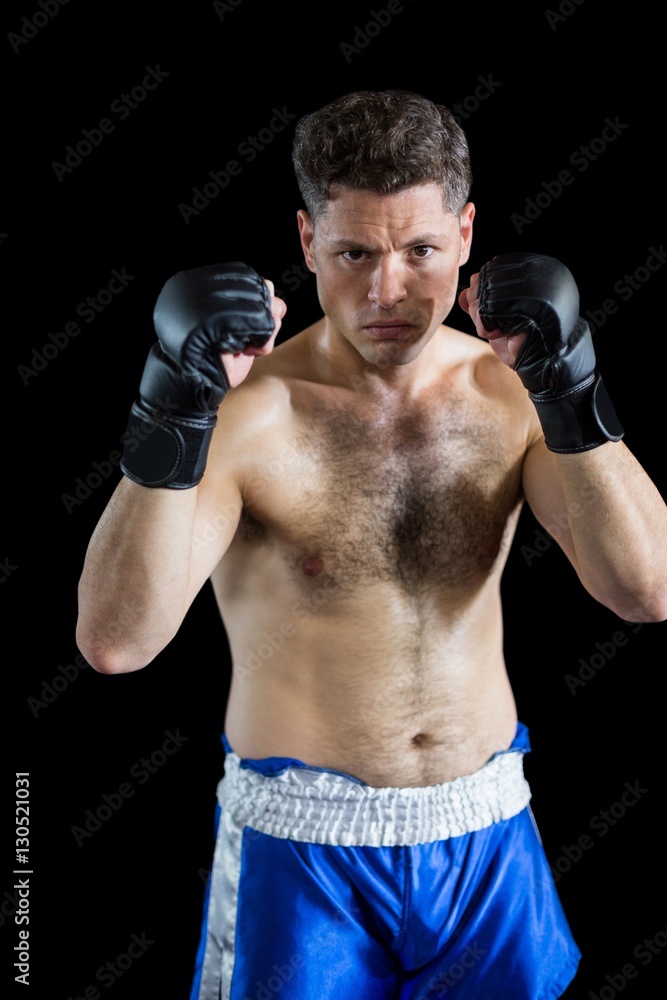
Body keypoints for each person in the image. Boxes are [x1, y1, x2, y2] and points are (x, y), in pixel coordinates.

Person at [75, 89, 667, 1000]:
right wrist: (171, 414)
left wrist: (571, 386)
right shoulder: (245, 410)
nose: (387, 291)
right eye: (353, 253)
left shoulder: (512, 391)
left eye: (420, 251)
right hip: (302, 851)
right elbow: (117, 643)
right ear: (307, 242)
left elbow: (644, 590)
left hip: (486, 834)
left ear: (466, 235)